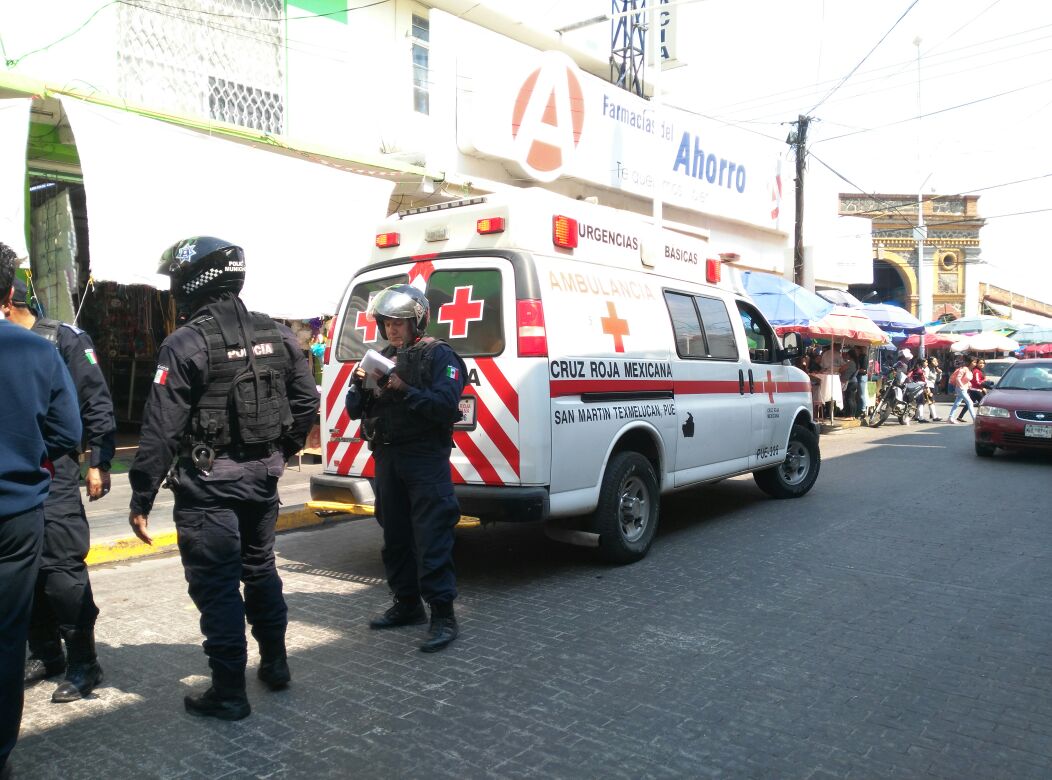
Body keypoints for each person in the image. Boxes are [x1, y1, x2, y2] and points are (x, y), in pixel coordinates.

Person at [127, 237, 319, 721]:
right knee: (259, 570)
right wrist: (280, 452)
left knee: (216, 586)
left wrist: (141, 495)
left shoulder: (185, 343)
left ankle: (229, 691)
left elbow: (161, 428)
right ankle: (276, 665)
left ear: (194, 281)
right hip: (262, 481)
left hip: (208, 488)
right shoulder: (278, 334)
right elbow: (307, 404)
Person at [4, 277, 116, 703]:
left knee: (61, 570)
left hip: (56, 471)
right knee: (24, 574)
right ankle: (45, 652)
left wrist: (99, 462)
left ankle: (84, 661)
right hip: (19, 474)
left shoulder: (61, 339)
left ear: (8, 306)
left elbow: (95, 402)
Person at [345, 284, 467, 653]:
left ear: (417, 321)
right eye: (387, 323)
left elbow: (446, 406)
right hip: (387, 455)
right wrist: (361, 386)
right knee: (395, 535)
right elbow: (354, 411)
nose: (393, 330)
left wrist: (401, 388)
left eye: (400, 322)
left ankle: (443, 615)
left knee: (432, 536)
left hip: (425, 457)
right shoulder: (379, 357)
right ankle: (407, 604)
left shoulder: (439, 356)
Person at [0, 245, 82, 775]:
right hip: (16, 517)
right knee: (8, 636)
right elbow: (67, 433)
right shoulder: (36, 350)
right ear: (10, 293)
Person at [947, 357, 978, 424]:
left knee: (957, 403)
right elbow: (958, 379)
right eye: (974, 362)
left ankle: (950, 417)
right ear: (969, 362)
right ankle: (975, 419)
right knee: (970, 402)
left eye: (976, 362)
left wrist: (969, 384)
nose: (975, 364)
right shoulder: (964, 369)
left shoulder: (970, 370)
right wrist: (962, 387)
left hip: (964, 388)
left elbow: (966, 380)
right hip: (961, 389)